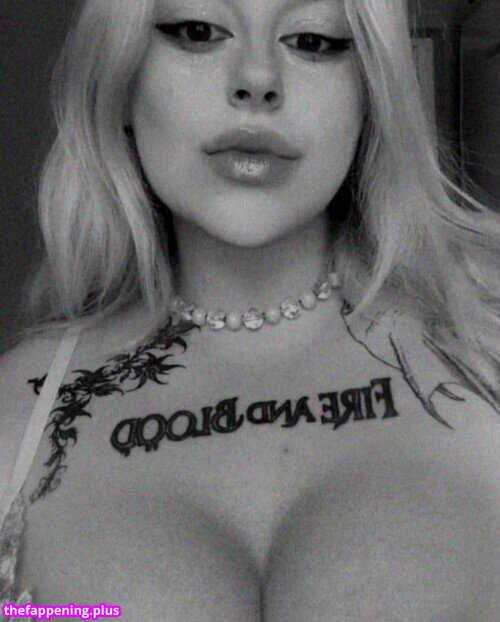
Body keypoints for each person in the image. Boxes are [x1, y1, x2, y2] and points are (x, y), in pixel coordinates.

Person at [1, 0, 499, 620]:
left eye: (312, 40)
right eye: (198, 31)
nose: (258, 79)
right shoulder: (15, 420)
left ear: (372, 91)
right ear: (121, 76)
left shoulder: (487, 354)